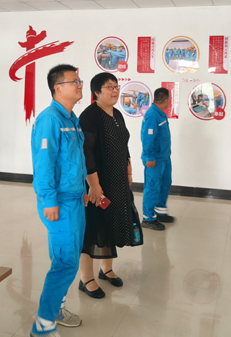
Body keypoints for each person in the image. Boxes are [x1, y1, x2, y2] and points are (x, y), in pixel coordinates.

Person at [30, 64, 86, 337]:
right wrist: (49, 200)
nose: (79, 85)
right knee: (65, 263)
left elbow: (73, 161)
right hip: (59, 202)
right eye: (74, 81)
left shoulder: (71, 118)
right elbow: (44, 164)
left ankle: (57, 309)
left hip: (74, 198)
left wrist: (83, 188)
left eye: (79, 80)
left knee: (66, 258)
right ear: (57, 88)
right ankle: (43, 325)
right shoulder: (50, 119)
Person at [78, 73, 143, 299]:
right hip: (98, 182)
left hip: (117, 181)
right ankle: (86, 278)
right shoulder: (89, 116)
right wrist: (94, 185)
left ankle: (106, 269)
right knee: (93, 228)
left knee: (111, 223)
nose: (115, 90)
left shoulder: (116, 113)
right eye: (109, 87)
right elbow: (86, 153)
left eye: (116, 86)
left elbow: (124, 144)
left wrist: (129, 170)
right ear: (96, 92)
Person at [140, 88, 174, 230]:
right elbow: (147, 138)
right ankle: (148, 218)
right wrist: (149, 156)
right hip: (154, 159)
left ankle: (160, 212)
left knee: (165, 184)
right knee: (152, 187)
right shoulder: (153, 115)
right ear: (166, 100)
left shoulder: (160, 113)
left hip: (164, 157)